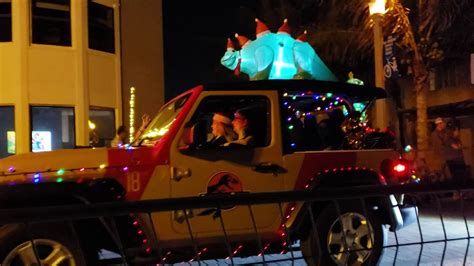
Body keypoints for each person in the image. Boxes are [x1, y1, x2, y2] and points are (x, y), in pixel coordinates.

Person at [430, 117, 467, 194]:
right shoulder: (438, 135)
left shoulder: (444, 133)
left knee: (457, 175)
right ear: (439, 124)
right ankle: (457, 192)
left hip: (451, 157)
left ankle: (459, 192)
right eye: (443, 123)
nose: (444, 125)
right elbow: (454, 144)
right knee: (456, 175)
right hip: (451, 157)